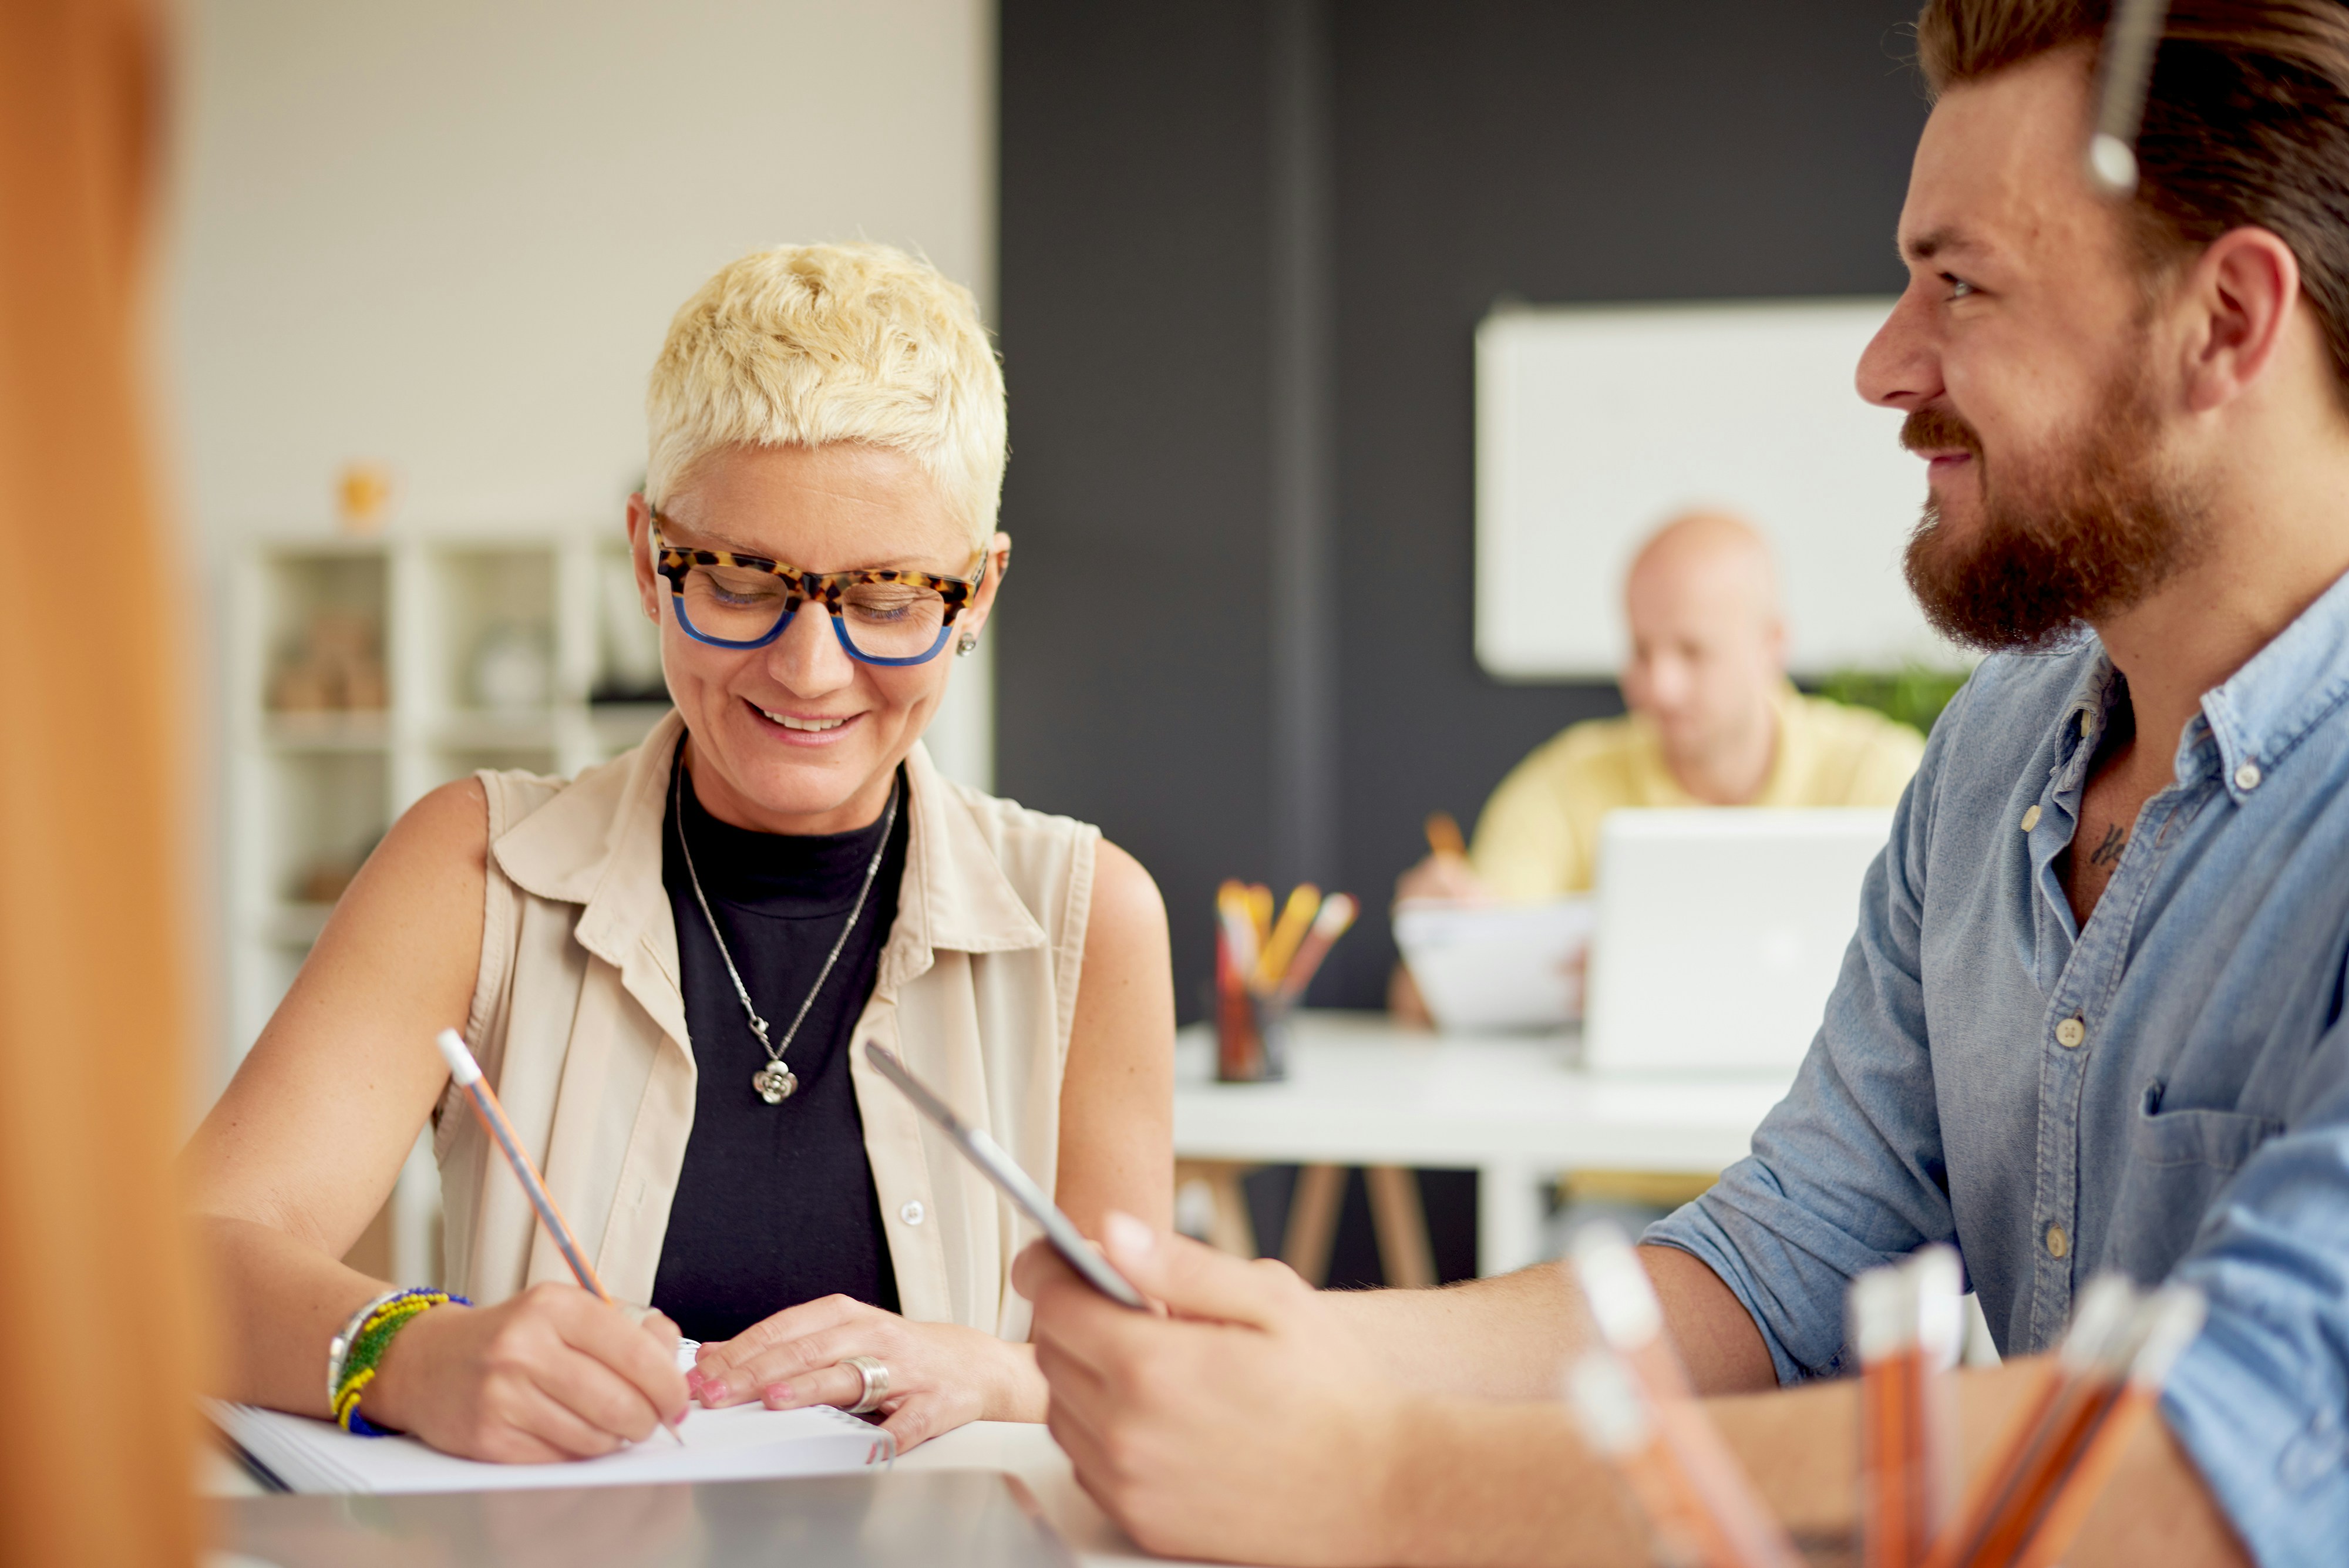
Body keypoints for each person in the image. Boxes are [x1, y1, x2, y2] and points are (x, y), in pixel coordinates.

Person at [1018, 5, 2349, 1564]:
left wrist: (1383, 1482)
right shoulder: (1992, 756)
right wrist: (1310, 1349)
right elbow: (1786, 1261)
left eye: (1962, 283)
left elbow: (2253, 1428)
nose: (1882, 362)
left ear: (2231, 322)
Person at [187, 242, 1175, 1461]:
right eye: (742, 581)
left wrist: (991, 1372)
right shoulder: (474, 872)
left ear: (974, 593)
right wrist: (409, 1350)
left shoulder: (1087, 916)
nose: (809, 671)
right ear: (649, 561)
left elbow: (1148, 1375)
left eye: (885, 599)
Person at [1394, 509, 1924, 911]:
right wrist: (1445, 940)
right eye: (1641, 651)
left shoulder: (1880, 777)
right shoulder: (1565, 782)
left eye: (1693, 652)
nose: (1659, 687)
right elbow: (1423, 998)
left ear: (1773, 645)